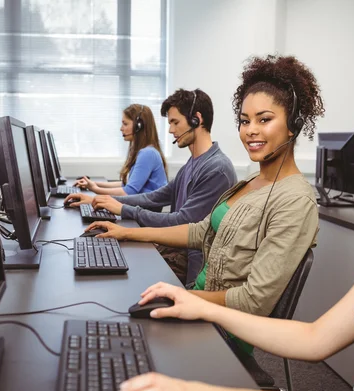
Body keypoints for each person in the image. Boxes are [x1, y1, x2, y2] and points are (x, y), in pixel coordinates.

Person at [115, 48, 354, 391]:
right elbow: (316, 338)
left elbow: (256, 301)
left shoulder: (293, 199)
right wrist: (196, 303)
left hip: (230, 332)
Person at [85, 55, 323, 357]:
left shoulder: (294, 201)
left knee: (119, 340)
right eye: (244, 120)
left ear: (294, 125)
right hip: (197, 303)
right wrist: (127, 233)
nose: (250, 130)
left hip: (222, 331)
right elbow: (199, 231)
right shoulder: (250, 183)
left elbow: (254, 301)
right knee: (109, 315)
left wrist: (186, 298)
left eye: (264, 119)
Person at [66, 89, 237, 284]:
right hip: (178, 252)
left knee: (126, 272)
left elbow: (183, 222)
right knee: (113, 250)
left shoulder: (216, 169)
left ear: (197, 119)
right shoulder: (192, 163)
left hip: (194, 266)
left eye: (175, 122)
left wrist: (125, 210)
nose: (171, 130)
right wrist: (106, 201)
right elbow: (154, 197)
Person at [74, 104, 168, 196]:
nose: (121, 128)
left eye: (125, 124)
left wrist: (95, 189)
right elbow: (126, 184)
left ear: (139, 126)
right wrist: (93, 184)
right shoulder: (145, 152)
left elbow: (128, 192)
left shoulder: (148, 153)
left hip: (142, 210)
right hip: (138, 207)